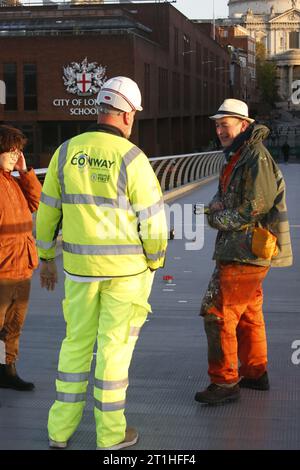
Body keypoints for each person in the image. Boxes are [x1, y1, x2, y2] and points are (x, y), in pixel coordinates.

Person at [36, 76, 168, 450]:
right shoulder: (132, 158)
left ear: (100, 109)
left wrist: (46, 256)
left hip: (79, 272)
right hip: (126, 275)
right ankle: (110, 435)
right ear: (127, 115)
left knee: (75, 343)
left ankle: (59, 431)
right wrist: (155, 261)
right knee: (114, 350)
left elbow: (47, 216)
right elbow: (154, 222)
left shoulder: (64, 153)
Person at [194, 99, 293, 405]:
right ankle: (254, 372)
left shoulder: (254, 157)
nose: (220, 129)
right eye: (218, 124)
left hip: (244, 251)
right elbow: (222, 198)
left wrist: (216, 217)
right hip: (243, 250)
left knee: (218, 313)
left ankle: (224, 382)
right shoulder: (240, 156)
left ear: (244, 125)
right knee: (249, 314)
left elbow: (254, 206)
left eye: (226, 123)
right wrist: (218, 208)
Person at [0, 125, 41, 391]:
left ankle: (8, 371)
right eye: (10, 151)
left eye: (18, 151)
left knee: (13, 326)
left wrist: (25, 173)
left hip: (22, 266)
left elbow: (37, 203)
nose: (15, 155)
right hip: (2, 269)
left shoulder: (14, 181)